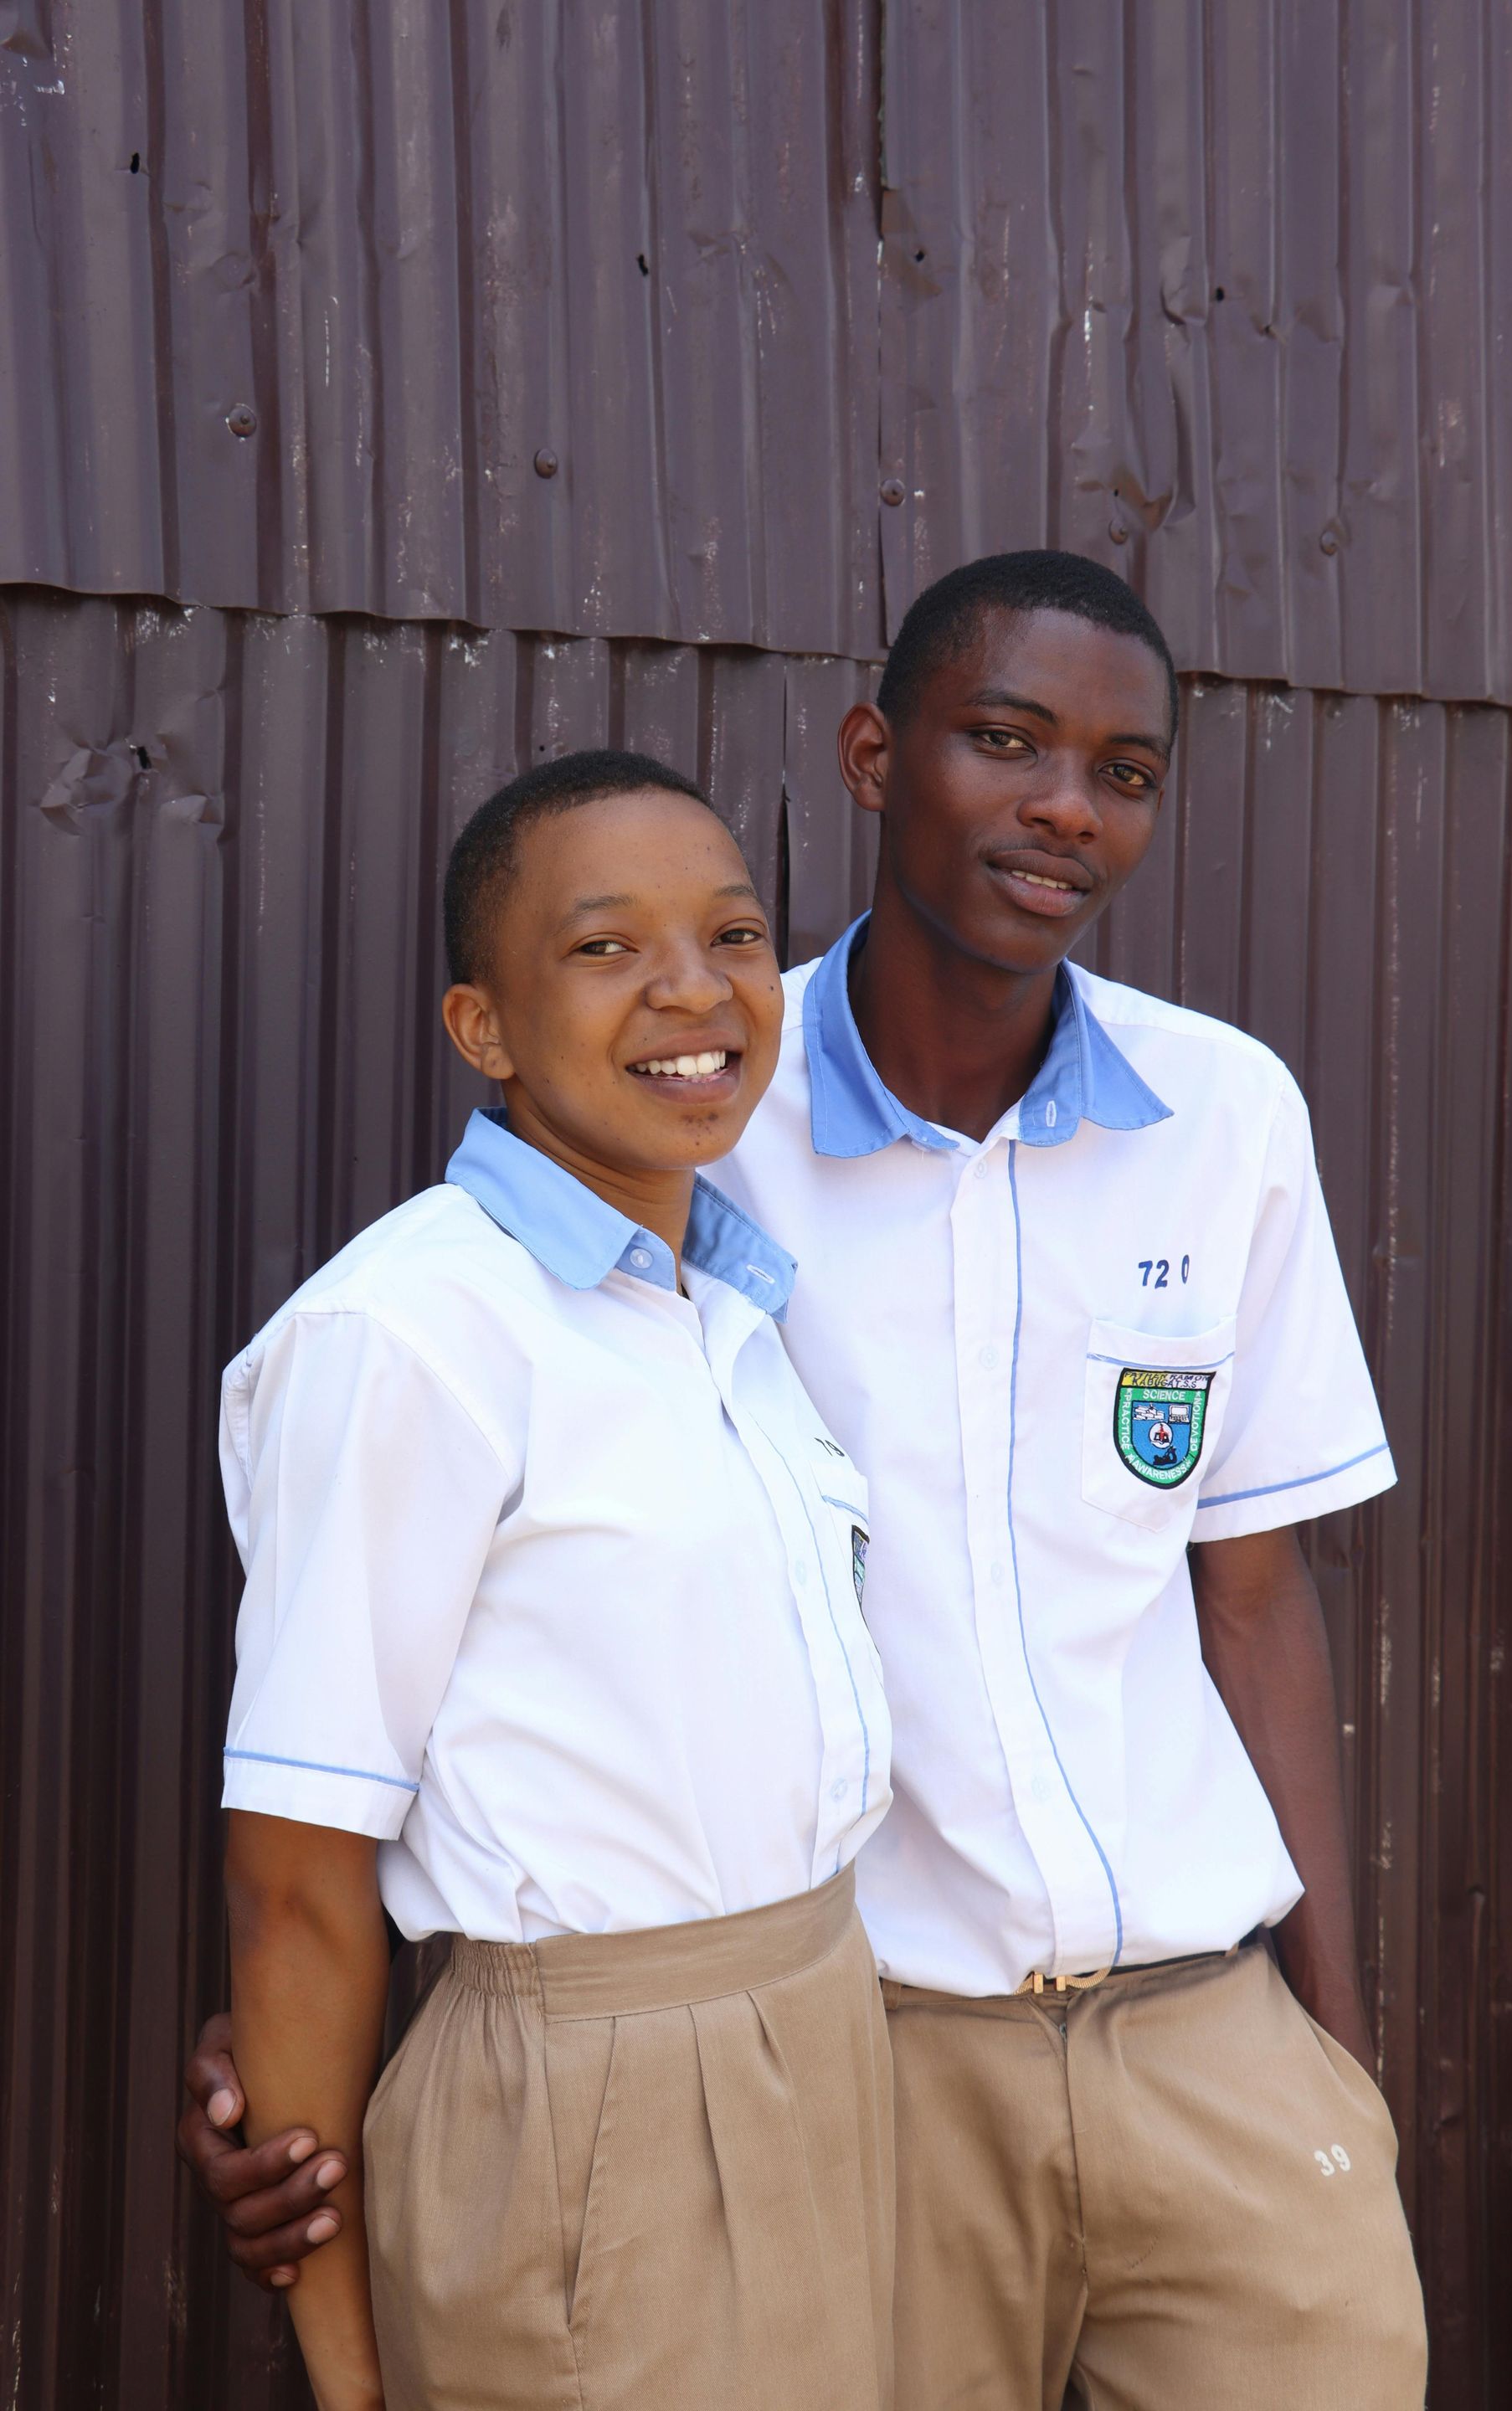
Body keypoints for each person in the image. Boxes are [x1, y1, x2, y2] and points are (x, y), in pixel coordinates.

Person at [182, 554, 1429, 2408]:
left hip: (1196, 2015)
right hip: (864, 2050)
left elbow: (1250, 1588)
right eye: (1004, 742)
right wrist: (294, 2067)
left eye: (1123, 770)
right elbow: (388, 1739)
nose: (1064, 806)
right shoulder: (683, 1135)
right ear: (874, 754)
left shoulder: (1216, 1117)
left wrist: (1339, 2046)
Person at [213, 751, 894, 2410]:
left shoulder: (723, 1308)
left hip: (821, 2032)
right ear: (485, 1031)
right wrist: (351, 2375)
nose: (695, 988)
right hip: (595, 2096)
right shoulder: (416, 1336)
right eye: (606, 948)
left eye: (734, 935)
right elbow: (299, 1878)